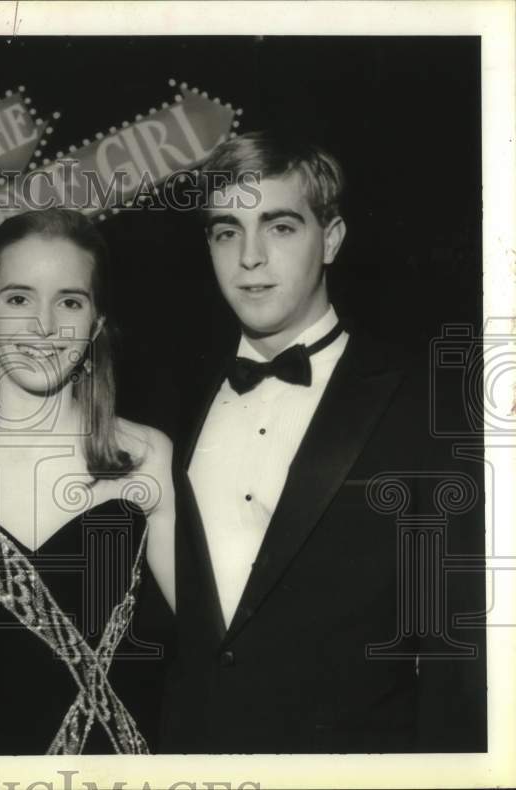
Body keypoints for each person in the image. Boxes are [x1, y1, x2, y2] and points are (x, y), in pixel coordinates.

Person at [159, 131, 486, 752]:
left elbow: (458, 658)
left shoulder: (425, 405)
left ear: (330, 239)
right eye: (227, 231)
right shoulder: (174, 404)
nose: (249, 256)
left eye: (279, 227)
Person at [0, 208, 175, 755]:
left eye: (69, 301)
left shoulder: (148, 456)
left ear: (94, 324)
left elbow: (217, 643)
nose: (43, 325)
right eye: (18, 298)